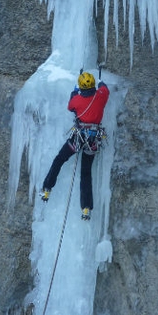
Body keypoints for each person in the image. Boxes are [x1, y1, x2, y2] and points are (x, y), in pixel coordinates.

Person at [40, 71, 110, 220]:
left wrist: (74, 91)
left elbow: (71, 107)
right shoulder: (101, 96)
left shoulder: (77, 100)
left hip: (77, 139)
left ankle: (47, 188)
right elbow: (105, 89)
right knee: (86, 173)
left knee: (59, 159)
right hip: (92, 142)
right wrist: (101, 83)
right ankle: (86, 208)